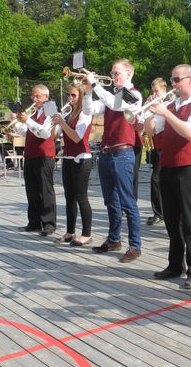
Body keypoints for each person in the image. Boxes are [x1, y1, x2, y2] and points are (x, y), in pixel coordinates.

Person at [146, 64, 191, 289]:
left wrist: (165, 112)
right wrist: (149, 112)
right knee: (172, 219)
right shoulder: (171, 104)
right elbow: (152, 131)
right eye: (172, 79)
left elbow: (190, 133)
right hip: (168, 165)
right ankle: (175, 264)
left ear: (190, 80)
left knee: (190, 220)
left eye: (177, 80)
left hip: (188, 167)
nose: (173, 84)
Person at [83, 58, 143, 263]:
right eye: (112, 73)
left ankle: (135, 245)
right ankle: (114, 239)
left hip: (122, 152)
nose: (113, 76)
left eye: (117, 73)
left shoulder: (133, 94)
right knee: (110, 199)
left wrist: (95, 84)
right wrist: (87, 92)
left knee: (127, 200)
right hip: (107, 152)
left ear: (129, 74)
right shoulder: (111, 94)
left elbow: (114, 104)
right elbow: (89, 110)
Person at [52, 82, 94, 247]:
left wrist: (62, 122)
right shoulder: (68, 113)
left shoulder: (85, 113)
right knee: (69, 196)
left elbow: (77, 137)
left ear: (81, 96)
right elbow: (55, 136)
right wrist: (55, 122)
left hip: (82, 157)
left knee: (81, 196)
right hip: (68, 157)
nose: (70, 98)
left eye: (73, 95)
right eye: (68, 94)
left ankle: (87, 234)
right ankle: (70, 231)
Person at [13, 84, 57, 237]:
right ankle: (34, 222)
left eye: (37, 96)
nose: (34, 99)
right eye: (33, 96)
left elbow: (44, 133)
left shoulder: (51, 109)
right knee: (31, 191)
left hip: (44, 155)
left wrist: (28, 121)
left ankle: (49, 223)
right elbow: (27, 132)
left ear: (46, 97)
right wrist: (17, 122)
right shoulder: (34, 112)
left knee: (46, 190)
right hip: (31, 155)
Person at [146, 77, 167, 226]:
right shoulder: (154, 106)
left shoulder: (168, 104)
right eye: (153, 91)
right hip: (157, 147)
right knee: (157, 179)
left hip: (167, 147)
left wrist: (154, 110)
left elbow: (158, 128)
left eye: (157, 91)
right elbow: (149, 130)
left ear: (164, 90)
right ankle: (159, 212)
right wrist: (148, 111)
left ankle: (160, 212)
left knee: (156, 179)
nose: (154, 94)